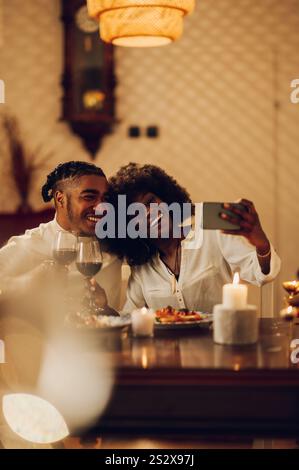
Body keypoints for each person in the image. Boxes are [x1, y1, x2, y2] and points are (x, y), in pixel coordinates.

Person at [100, 163, 281, 313]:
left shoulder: (211, 229)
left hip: (220, 345)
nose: (149, 212)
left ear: (167, 200)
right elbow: (129, 318)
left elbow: (260, 274)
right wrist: (103, 307)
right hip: (166, 353)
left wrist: (261, 243)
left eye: (151, 202)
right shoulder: (142, 266)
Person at [0, 161, 121, 312]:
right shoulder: (29, 244)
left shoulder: (117, 245)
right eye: (89, 197)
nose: (102, 208)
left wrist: (105, 309)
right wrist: (26, 283)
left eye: (105, 199)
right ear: (60, 199)